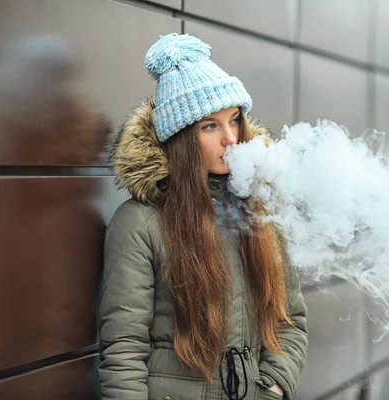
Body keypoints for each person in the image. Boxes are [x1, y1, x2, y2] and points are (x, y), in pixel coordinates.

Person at [98, 33, 308, 400]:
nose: (230, 138)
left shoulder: (258, 210)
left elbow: (289, 320)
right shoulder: (140, 223)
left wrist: (272, 388)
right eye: (209, 126)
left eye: (234, 120)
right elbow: (123, 350)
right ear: (181, 139)